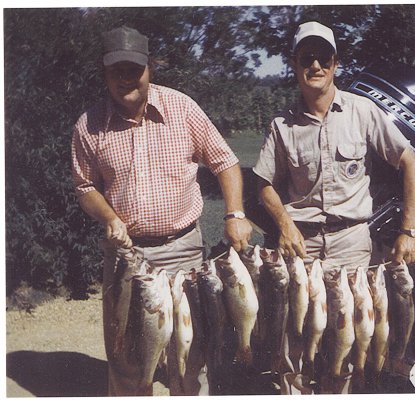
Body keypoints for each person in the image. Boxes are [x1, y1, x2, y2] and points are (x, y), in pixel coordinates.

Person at [71, 26, 252, 396]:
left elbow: (225, 162)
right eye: (115, 70)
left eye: (133, 69)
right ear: (104, 73)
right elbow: (85, 187)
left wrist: (234, 213)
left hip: (184, 249)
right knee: (125, 359)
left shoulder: (182, 108)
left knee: (191, 353)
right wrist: (109, 218)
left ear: (149, 67)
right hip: (125, 257)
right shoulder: (88, 126)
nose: (125, 79)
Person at [252, 21, 415, 393]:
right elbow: (263, 184)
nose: (315, 66)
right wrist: (284, 224)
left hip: (351, 243)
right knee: (293, 341)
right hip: (301, 246)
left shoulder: (363, 111)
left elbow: (411, 162)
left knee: (345, 337)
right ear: (294, 64)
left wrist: (409, 231)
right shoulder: (282, 124)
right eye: (306, 58)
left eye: (323, 58)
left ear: (335, 63)